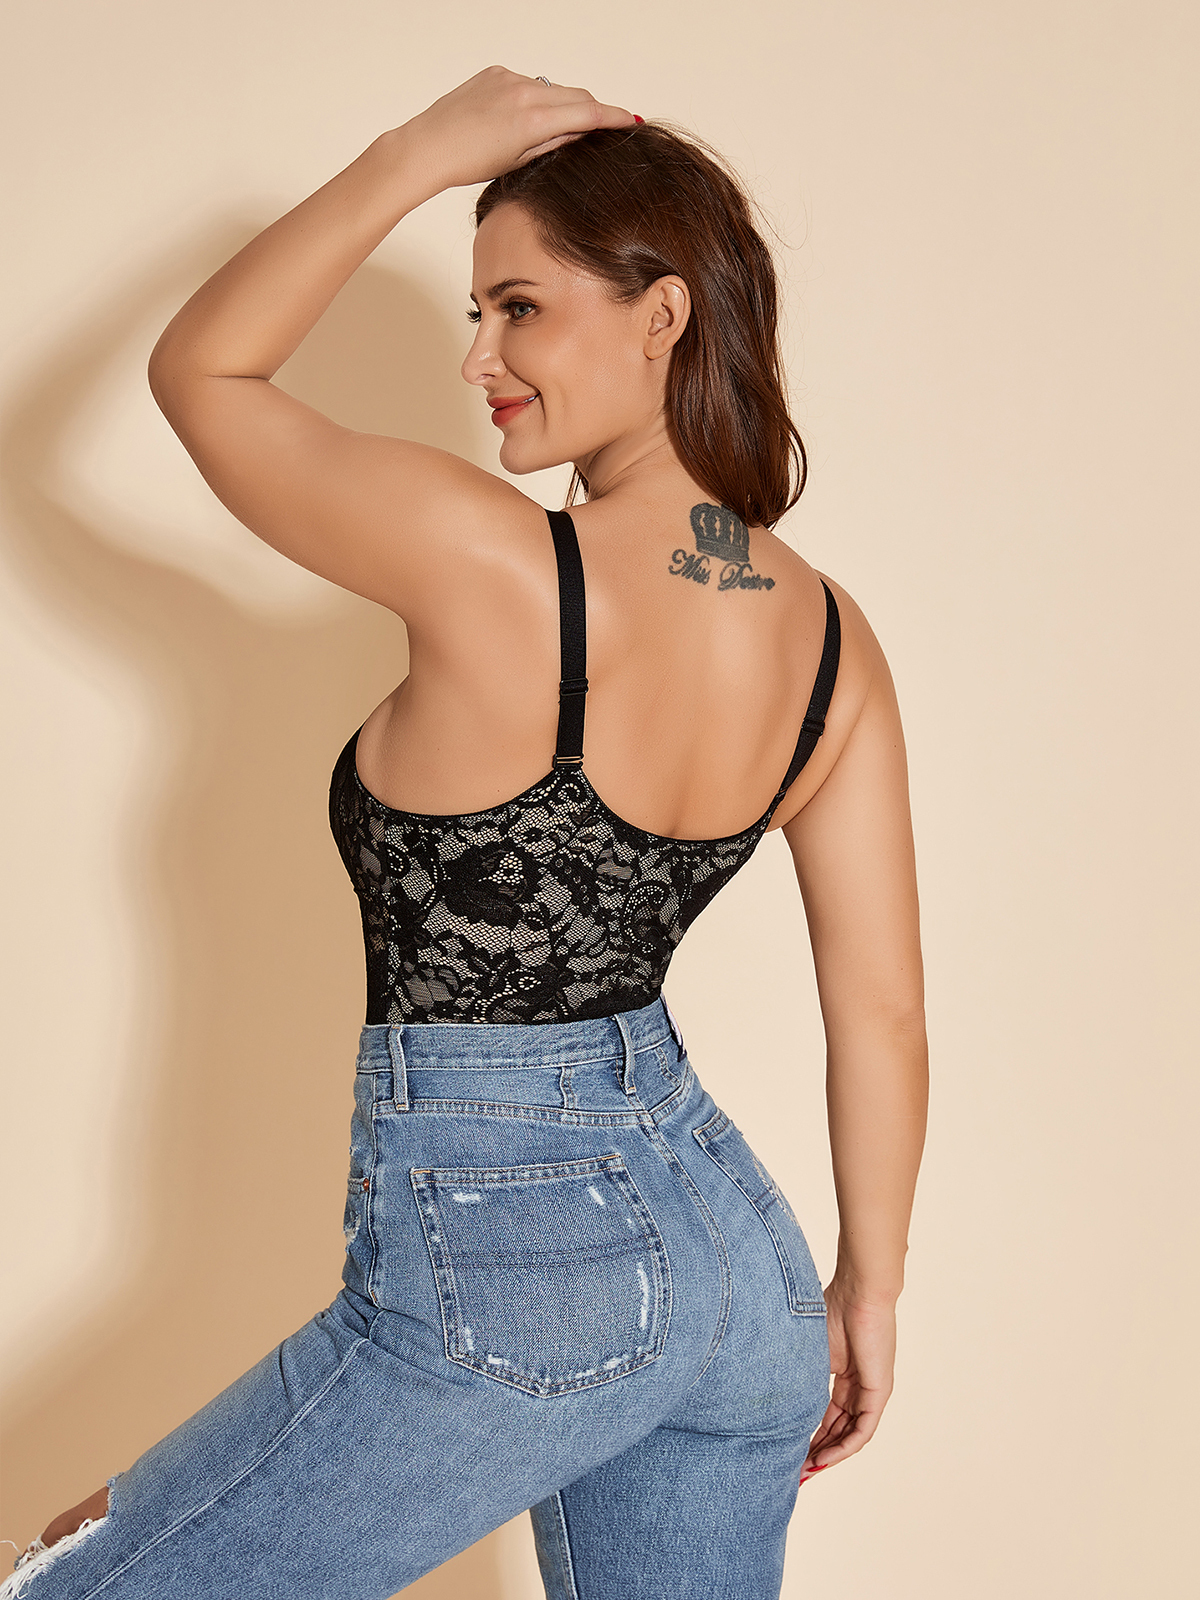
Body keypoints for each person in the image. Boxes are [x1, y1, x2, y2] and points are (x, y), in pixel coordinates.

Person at [4, 66, 928, 1600]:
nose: (477, 357)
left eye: (520, 309)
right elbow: (883, 1009)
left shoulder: (494, 560)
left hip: (519, 1259)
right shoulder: (837, 643)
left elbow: (203, 374)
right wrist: (867, 1291)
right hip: (741, 1276)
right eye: (476, 312)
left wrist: (419, 153)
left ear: (663, 315)